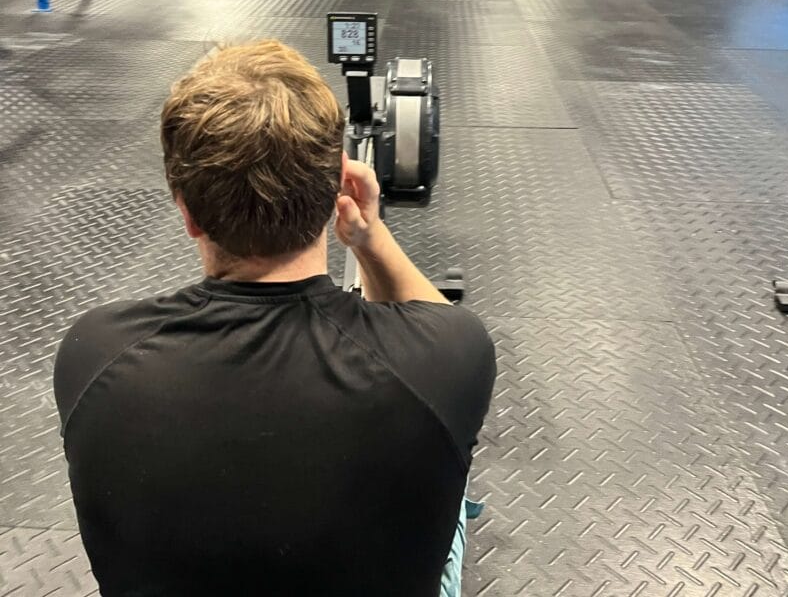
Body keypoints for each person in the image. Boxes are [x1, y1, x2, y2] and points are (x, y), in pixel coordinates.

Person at [54, 40, 496, 597]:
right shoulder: (453, 355)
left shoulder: (92, 352)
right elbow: (427, 316)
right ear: (336, 187)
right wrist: (368, 235)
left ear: (186, 211)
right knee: (449, 488)